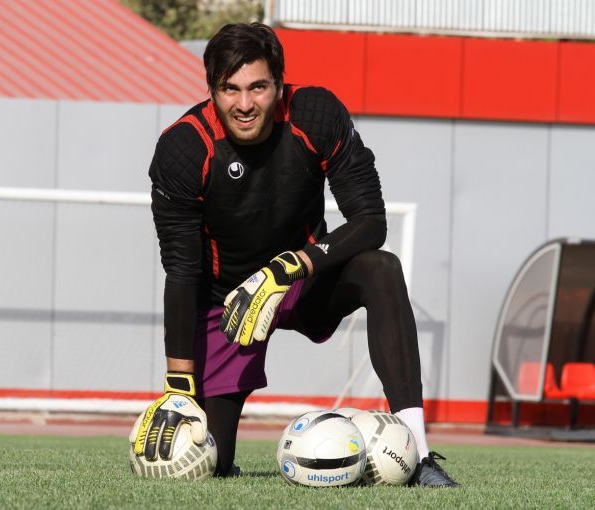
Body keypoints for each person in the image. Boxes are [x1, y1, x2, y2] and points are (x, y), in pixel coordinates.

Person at [130, 22, 459, 488]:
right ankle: (219, 437)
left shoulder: (316, 114)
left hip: (303, 276)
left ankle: (420, 454)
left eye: (258, 87)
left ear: (279, 85)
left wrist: (290, 266)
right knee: (210, 462)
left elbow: (371, 221)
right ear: (211, 90)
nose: (244, 104)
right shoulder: (182, 148)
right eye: (230, 89)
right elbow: (181, 270)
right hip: (227, 303)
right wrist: (178, 386)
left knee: (382, 268)